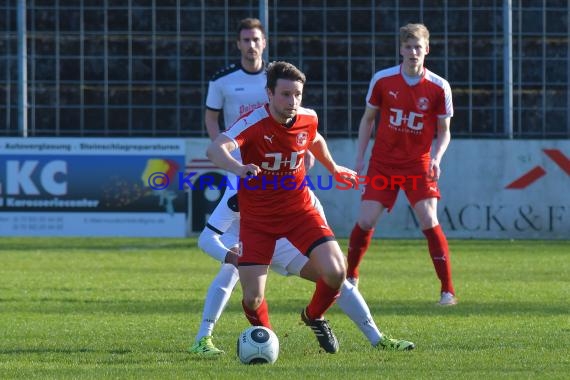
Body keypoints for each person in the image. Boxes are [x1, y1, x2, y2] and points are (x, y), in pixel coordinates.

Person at [206, 61, 357, 354]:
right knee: (252, 298)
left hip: (299, 212)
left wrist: (334, 168)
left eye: (297, 94)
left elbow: (314, 139)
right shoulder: (252, 122)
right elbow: (214, 149)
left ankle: (313, 315)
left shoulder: (307, 117)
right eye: (286, 94)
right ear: (270, 94)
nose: (293, 101)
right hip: (258, 220)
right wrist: (238, 167)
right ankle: (266, 341)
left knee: (337, 272)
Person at [190, 189, 415, 355]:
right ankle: (204, 339)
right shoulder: (239, 191)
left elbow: (321, 238)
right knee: (238, 284)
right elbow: (206, 239)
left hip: (285, 241)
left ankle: (377, 339)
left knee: (336, 277)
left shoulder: (302, 191)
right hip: (244, 237)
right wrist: (233, 257)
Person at [346, 23, 457, 306]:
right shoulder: (383, 80)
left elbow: (444, 131)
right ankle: (350, 278)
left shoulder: (438, 86)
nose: (413, 52)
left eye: (418, 46)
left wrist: (436, 157)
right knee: (366, 220)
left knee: (429, 220)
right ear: (400, 49)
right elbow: (368, 119)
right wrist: (360, 157)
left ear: (427, 50)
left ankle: (447, 291)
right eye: (408, 47)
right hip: (383, 163)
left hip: (418, 165)